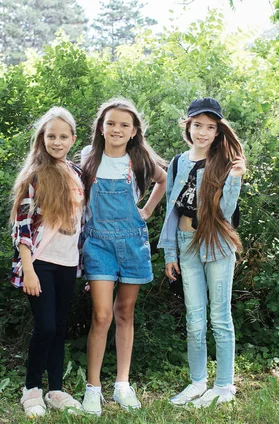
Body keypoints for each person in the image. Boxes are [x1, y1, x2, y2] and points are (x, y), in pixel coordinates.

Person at [80, 98, 167, 415]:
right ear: (101, 128)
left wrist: (146, 211)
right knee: (101, 315)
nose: (116, 129)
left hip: (132, 243)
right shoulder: (89, 157)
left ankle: (122, 384)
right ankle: (93, 388)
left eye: (124, 125)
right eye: (111, 123)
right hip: (98, 244)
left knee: (125, 312)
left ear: (133, 132)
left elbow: (164, 180)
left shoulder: (139, 159)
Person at [158, 97, 246, 408]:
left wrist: (234, 179)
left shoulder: (225, 163)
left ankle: (223, 385)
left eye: (210, 127)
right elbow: (170, 209)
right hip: (185, 243)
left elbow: (225, 211)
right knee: (194, 320)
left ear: (218, 130)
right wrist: (170, 253)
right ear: (188, 126)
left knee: (219, 317)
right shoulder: (178, 163)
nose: (203, 132)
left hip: (217, 242)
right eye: (198, 125)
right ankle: (197, 382)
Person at [10, 107, 84, 418]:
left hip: (68, 263)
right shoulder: (36, 175)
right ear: (42, 138)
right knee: (45, 327)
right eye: (51, 135)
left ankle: (56, 390)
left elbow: (83, 223)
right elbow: (22, 225)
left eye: (63, 136)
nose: (57, 141)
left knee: (59, 328)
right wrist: (28, 269)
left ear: (72, 139)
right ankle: (31, 390)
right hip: (40, 263)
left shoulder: (77, 173)